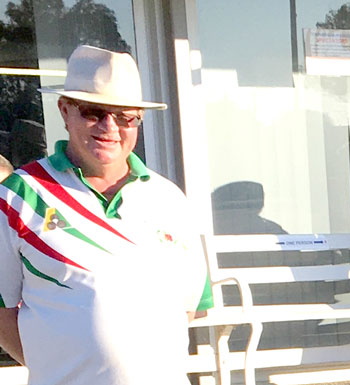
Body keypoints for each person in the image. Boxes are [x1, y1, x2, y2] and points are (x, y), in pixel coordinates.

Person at [0, 45, 213, 384]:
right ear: (65, 111)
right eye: (93, 112)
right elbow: (1, 313)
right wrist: (56, 366)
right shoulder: (17, 195)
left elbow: (188, 305)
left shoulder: (169, 198)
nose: (109, 126)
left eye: (126, 116)